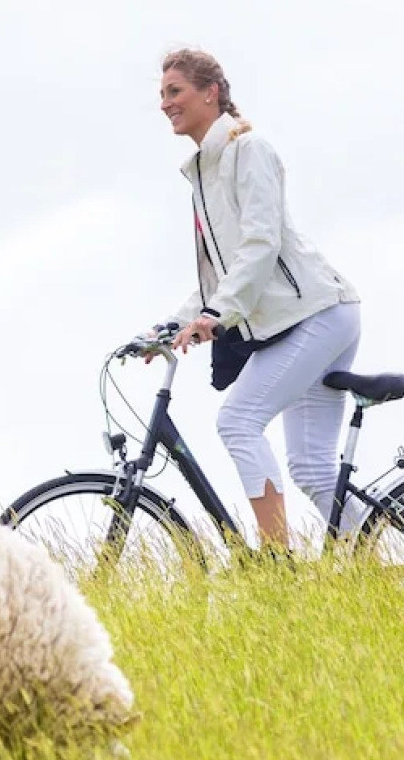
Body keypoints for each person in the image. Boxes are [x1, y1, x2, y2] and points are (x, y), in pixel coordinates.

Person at [154, 49, 362, 550]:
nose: (165, 104)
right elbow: (220, 275)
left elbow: (261, 244)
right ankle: (371, 565)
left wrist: (216, 316)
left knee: (238, 421)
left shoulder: (248, 150)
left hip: (317, 313)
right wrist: (170, 326)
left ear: (211, 92)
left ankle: (275, 561)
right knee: (312, 469)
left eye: (175, 91)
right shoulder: (204, 171)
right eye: (161, 95)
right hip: (302, 320)